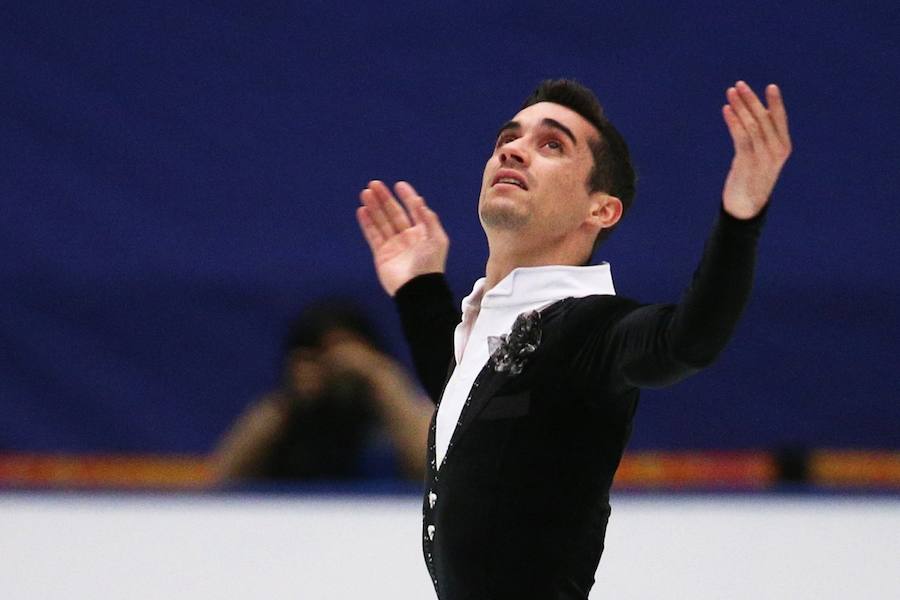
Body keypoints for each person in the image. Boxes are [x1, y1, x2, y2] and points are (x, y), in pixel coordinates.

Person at [355, 78, 791, 599]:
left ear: (600, 210)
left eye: (552, 145)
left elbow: (684, 344)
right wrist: (420, 290)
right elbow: (470, 413)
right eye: (507, 140)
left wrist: (741, 217)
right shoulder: (495, 329)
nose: (514, 150)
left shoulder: (593, 330)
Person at [209, 300, 433, 483]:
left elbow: (435, 470)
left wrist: (379, 377)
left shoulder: (392, 417)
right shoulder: (286, 418)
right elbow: (224, 478)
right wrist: (288, 401)